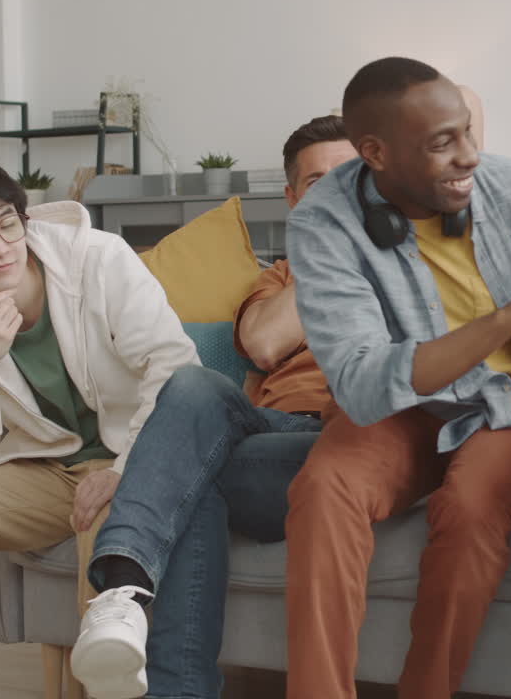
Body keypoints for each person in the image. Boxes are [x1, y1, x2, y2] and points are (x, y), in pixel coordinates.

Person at [282, 56, 511, 699]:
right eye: (441, 143)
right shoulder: (323, 223)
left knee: (473, 504)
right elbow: (363, 384)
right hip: (399, 404)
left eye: (467, 133)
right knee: (325, 488)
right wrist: (508, 316)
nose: (468, 157)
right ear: (373, 151)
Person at [69, 115, 360, 699]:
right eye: (316, 184)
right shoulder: (275, 281)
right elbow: (264, 342)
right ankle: (125, 590)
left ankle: (125, 601)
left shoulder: (404, 269)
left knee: (190, 477)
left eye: (348, 179)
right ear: (292, 199)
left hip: (339, 446)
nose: (333, 195)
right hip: (258, 441)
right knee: (195, 385)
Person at [0, 157, 198, 699]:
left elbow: (176, 371)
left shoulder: (98, 260)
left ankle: (105, 686)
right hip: (44, 469)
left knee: (109, 519)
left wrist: (126, 470)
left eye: (8, 223)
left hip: (133, 457)